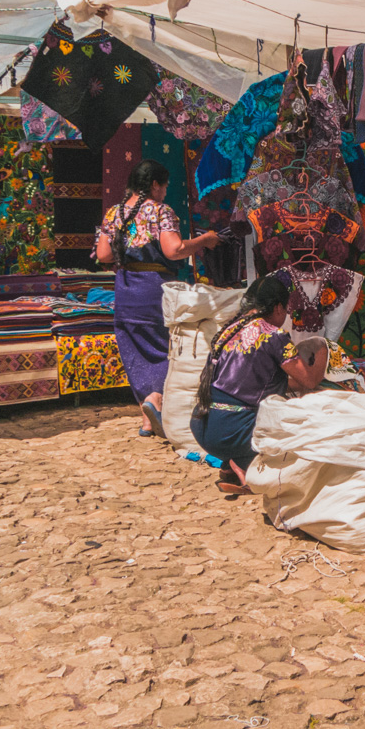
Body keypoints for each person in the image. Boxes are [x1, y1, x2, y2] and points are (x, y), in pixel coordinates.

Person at [95, 159, 218, 437]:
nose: (165, 192)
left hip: (126, 290)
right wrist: (204, 240)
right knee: (165, 347)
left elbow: (103, 256)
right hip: (155, 290)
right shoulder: (160, 211)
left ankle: (148, 417)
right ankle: (156, 399)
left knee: (134, 350)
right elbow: (174, 250)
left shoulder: (114, 212)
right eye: (164, 186)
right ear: (154, 185)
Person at [190, 275, 327, 493]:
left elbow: (256, 383)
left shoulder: (227, 331)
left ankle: (230, 464)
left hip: (202, 425)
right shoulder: (274, 336)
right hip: (233, 432)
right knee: (299, 436)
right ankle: (245, 467)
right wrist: (323, 351)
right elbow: (309, 380)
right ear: (279, 308)